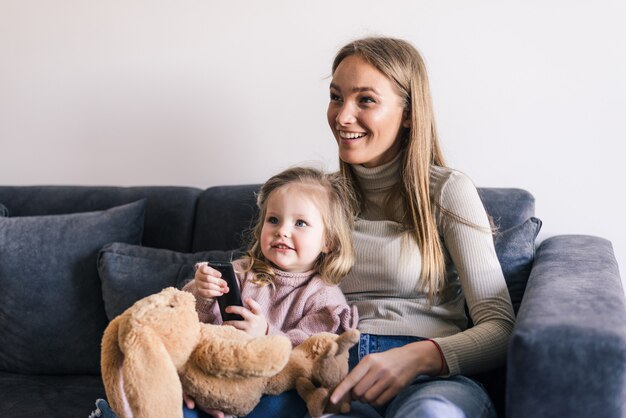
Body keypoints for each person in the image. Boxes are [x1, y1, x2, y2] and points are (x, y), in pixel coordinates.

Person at [321, 37, 516, 418]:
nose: (343, 117)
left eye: (365, 100)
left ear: (409, 113)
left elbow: (500, 326)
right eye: (336, 97)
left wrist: (419, 357)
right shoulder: (318, 199)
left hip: (432, 381)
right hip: (336, 376)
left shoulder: (447, 191)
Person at [182, 166, 358, 418]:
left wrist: (265, 334)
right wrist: (202, 292)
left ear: (328, 241)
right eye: (273, 219)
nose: (282, 231)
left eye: (300, 223)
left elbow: (309, 354)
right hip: (219, 374)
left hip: (273, 391)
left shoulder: (324, 297)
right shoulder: (242, 272)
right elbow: (189, 320)